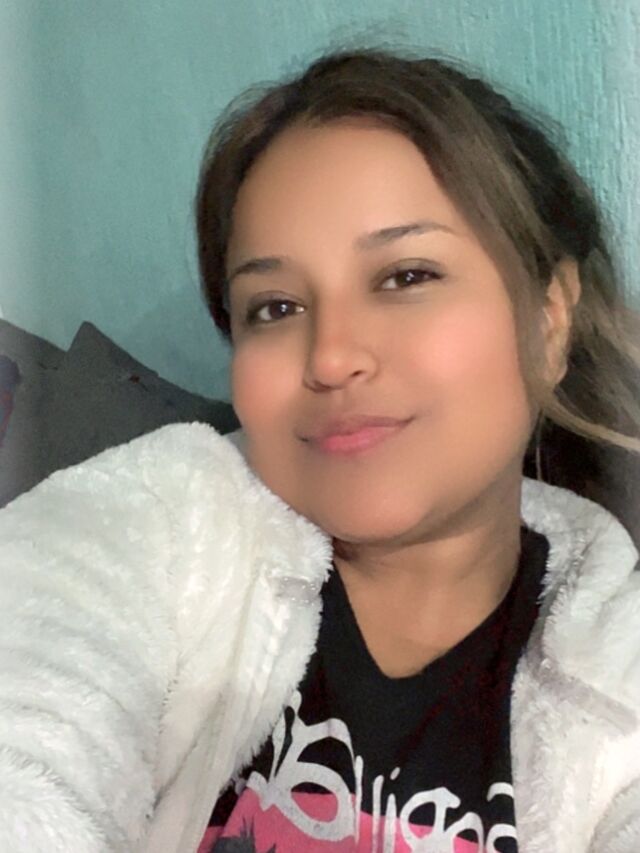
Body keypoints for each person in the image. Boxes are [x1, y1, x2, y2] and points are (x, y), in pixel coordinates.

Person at [0, 48, 639, 853]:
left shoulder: (619, 662)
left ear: (549, 319)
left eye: (405, 276)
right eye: (274, 306)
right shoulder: (160, 521)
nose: (331, 356)